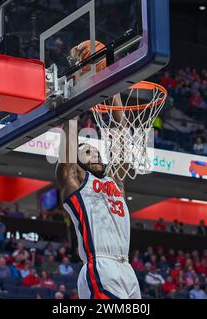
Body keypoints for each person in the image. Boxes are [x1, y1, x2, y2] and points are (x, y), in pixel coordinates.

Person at [56, 41, 140, 300]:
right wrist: (76, 82)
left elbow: (120, 138)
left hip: (127, 269)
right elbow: (69, 140)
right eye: (86, 149)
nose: (94, 151)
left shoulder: (116, 183)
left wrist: (112, 86)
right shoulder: (74, 182)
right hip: (99, 265)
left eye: (94, 148)